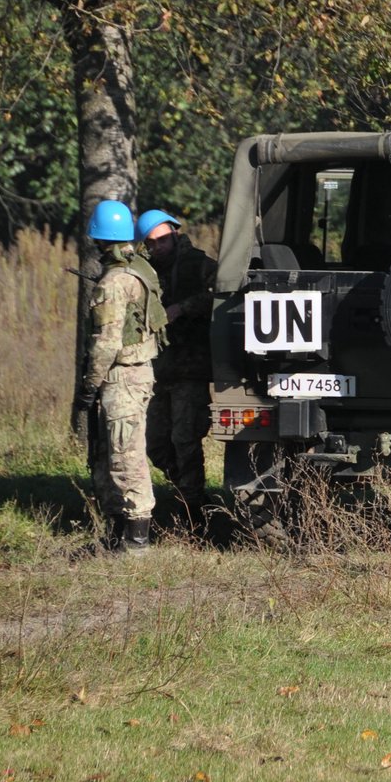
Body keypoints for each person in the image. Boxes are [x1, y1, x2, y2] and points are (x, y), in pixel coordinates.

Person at [72, 200, 166, 555]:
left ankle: (136, 541)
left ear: (102, 242)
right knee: (113, 453)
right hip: (135, 373)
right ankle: (116, 535)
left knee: (126, 456)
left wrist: (88, 386)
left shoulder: (114, 283)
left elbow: (106, 343)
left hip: (121, 375)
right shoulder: (140, 269)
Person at [137, 209, 221, 543]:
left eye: (162, 239)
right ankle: (192, 494)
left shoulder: (200, 264)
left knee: (185, 441)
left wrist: (183, 308)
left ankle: (194, 513)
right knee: (155, 443)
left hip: (191, 368)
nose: (158, 247)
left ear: (175, 232)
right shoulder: (145, 271)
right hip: (158, 369)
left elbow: (223, 295)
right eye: (151, 243)